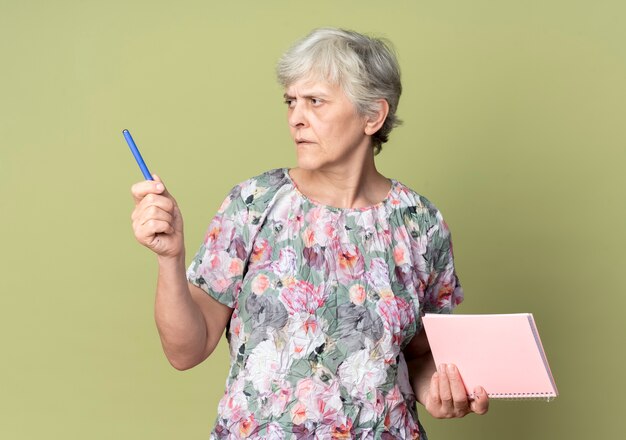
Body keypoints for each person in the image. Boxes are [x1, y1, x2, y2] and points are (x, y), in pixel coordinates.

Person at [131, 28, 488, 439]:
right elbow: (185, 351)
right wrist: (169, 258)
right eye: (291, 101)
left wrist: (442, 394)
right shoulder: (255, 203)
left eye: (315, 101)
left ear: (373, 115)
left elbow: (421, 356)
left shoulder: (419, 223)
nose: (296, 117)